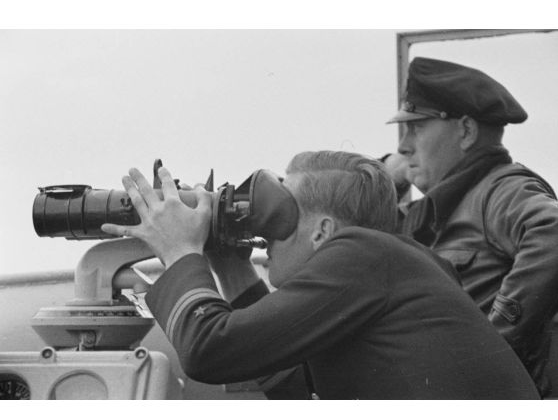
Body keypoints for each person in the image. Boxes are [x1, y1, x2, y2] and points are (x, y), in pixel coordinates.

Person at [101, 150, 539, 399]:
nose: (262, 230)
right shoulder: (394, 271)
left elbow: (210, 353)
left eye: (277, 209)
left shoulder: (363, 254)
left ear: (324, 231)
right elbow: (288, 381)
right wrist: (229, 263)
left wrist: (179, 249)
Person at [386, 56, 558, 397]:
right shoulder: (440, 208)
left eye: (416, 127)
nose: (403, 145)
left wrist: (496, 343)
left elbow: (551, 230)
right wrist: (387, 176)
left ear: (465, 131)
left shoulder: (500, 190)